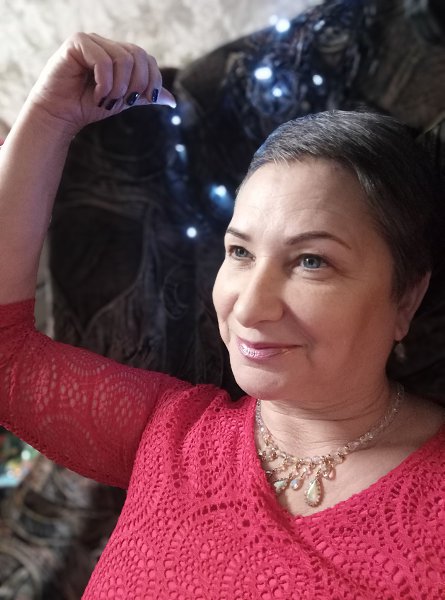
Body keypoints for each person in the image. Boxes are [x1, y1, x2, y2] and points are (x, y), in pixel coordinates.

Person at [0, 32, 444, 599]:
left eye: (311, 261)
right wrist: (49, 117)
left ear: (406, 297)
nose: (250, 308)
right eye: (240, 252)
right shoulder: (171, 434)